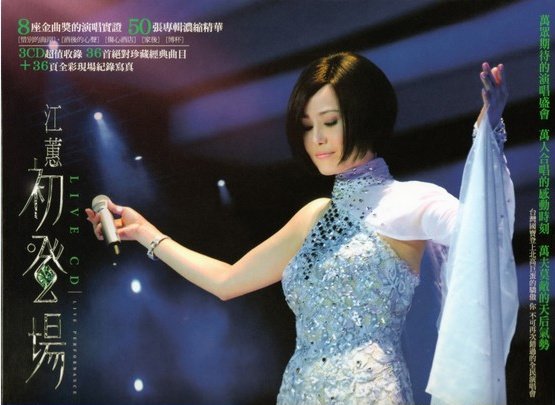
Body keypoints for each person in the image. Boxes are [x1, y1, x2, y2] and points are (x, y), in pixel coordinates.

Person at [86, 52, 511, 404]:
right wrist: (145, 232)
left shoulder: (412, 200)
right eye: (307, 126)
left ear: (364, 117)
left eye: (330, 121)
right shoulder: (314, 215)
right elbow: (227, 281)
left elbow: (482, 233)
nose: (317, 139)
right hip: (299, 391)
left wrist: (486, 134)